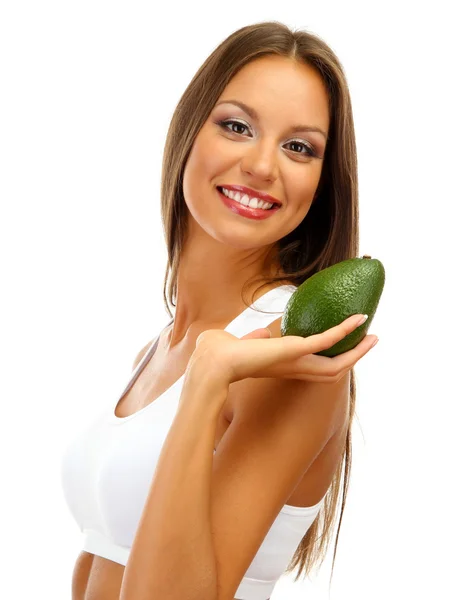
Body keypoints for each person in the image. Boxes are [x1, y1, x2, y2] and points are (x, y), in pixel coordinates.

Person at [61, 20, 378, 600]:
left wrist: (208, 378)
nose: (262, 166)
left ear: (321, 183)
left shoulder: (289, 352)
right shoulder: (159, 349)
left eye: (299, 147)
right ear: (189, 131)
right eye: (236, 126)